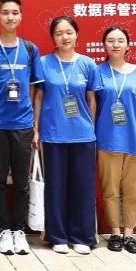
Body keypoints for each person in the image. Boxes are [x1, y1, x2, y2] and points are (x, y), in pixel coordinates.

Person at [0, 0, 40, 256]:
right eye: (5, 13)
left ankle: (18, 230)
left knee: (22, 181)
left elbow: (35, 90)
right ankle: (4, 230)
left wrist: (35, 125)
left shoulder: (30, 49)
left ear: (21, 16)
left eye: (15, 13)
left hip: (23, 123)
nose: (10, 17)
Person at [32, 15, 102, 255]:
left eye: (69, 32)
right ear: (53, 37)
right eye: (59, 33)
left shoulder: (88, 64)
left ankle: (82, 236)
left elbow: (92, 100)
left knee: (83, 188)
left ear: (77, 35)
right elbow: (38, 97)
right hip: (53, 135)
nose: (64, 37)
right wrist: (36, 128)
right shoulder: (44, 63)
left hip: (83, 136)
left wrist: (91, 128)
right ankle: (58, 236)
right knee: (56, 188)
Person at [95, 27, 136, 254]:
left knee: (133, 191)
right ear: (104, 45)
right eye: (111, 40)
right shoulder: (98, 72)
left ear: (128, 45)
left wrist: (132, 127)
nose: (116, 44)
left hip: (135, 139)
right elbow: (93, 105)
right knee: (110, 190)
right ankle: (115, 233)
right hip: (107, 138)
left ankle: (129, 234)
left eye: (120, 40)